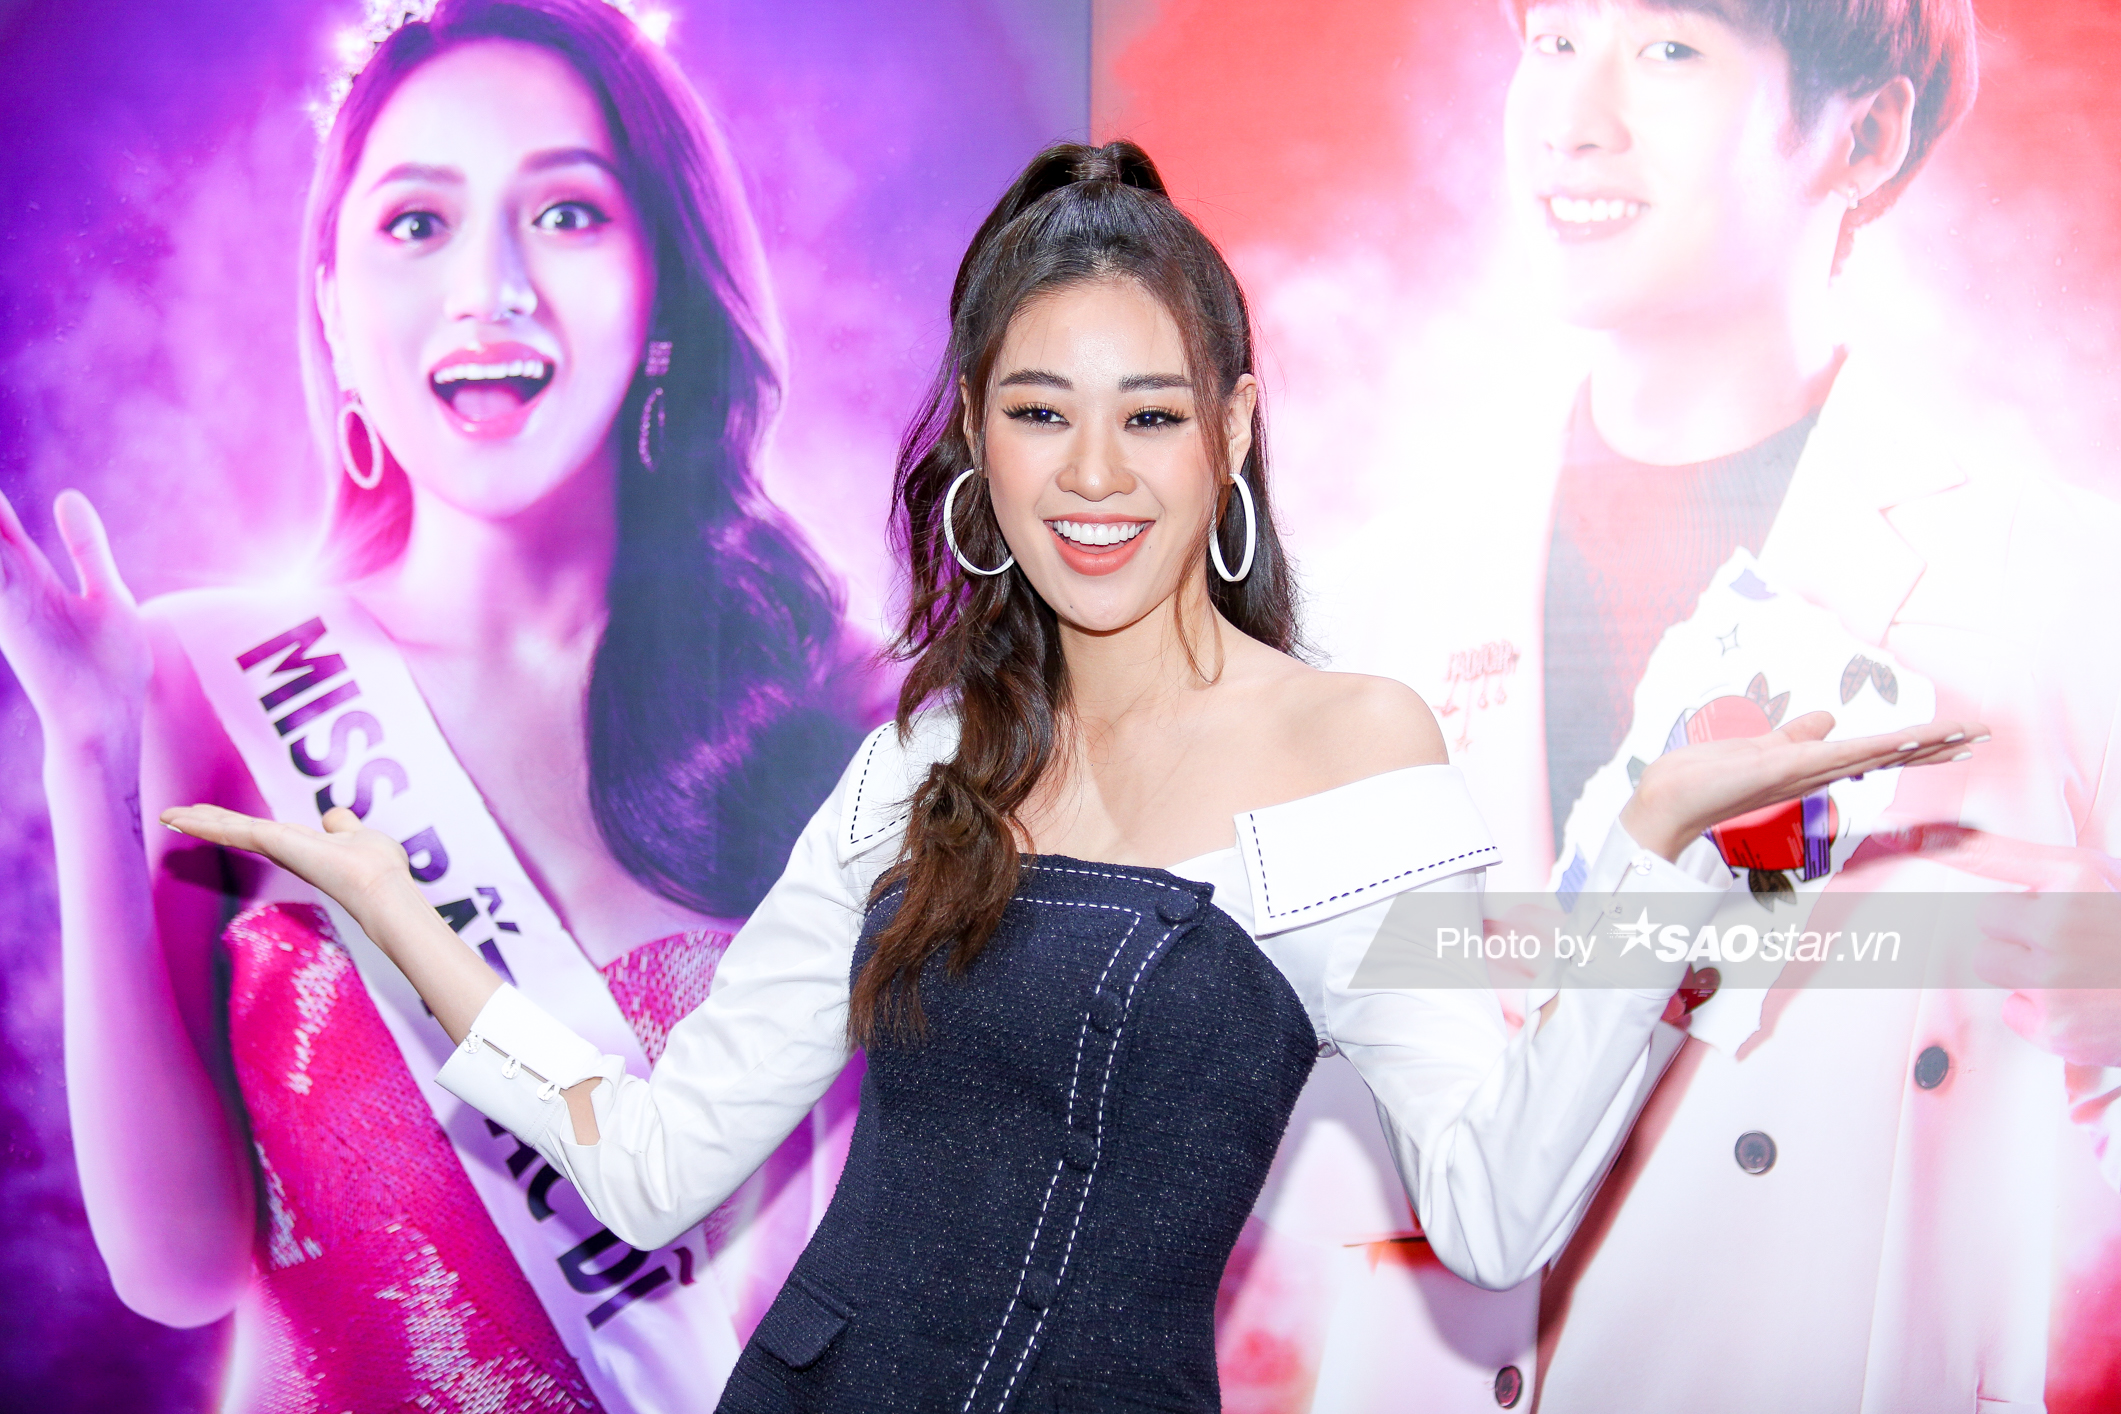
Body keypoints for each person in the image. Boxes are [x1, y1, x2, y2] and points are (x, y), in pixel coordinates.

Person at [161, 139, 1981, 1413]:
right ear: (975, 435)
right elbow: (650, 1167)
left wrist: (1654, 854)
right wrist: (403, 922)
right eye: (1039, 412)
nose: (1093, 476)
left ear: (1232, 431)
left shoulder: (1351, 753)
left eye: (1150, 414)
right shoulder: (923, 752)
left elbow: (1494, 1208)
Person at [0, 2, 868, 1409]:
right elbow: (177, 1264)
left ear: (664, 291)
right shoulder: (208, 676)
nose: (490, 289)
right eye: (418, 222)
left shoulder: (835, 707)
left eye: (567, 215)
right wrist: (87, 745)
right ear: (334, 307)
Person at [1294, 0, 2121, 1408]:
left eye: (1667, 49)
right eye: (1552, 42)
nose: (1572, 119)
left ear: (1864, 132)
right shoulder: (1369, 594)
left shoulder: (2057, 590)